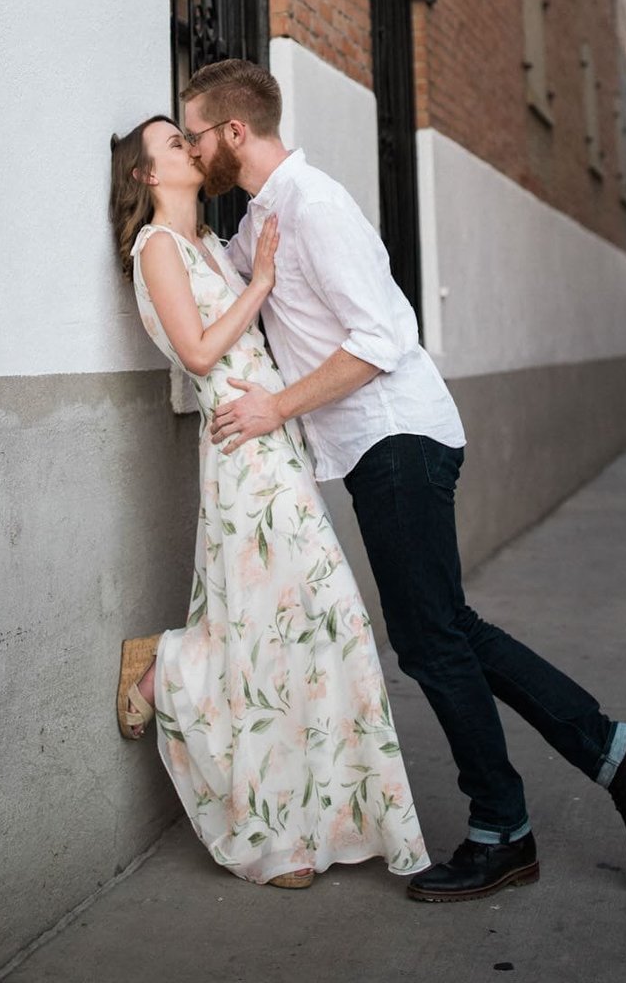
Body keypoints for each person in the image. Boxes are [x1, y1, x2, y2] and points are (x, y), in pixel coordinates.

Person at [180, 59, 626, 905]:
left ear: (234, 132)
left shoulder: (314, 205)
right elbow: (208, 283)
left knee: (433, 640)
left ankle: (504, 829)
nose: (191, 147)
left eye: (195, 134)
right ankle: (615, 752)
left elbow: (382, 337)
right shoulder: (262, 215)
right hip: (378, 447)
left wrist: (275, 409)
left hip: (398, 437)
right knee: (447, 630)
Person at [107, 115, 429, 891]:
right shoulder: (157, 248)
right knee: (288, 618)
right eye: (172, 144)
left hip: (274, 440)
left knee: (299, 624)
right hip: (237, 445)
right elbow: (196, 351)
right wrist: (259, 285)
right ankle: (181, 692)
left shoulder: (216, 244)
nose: (188, 146)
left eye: (187, 137)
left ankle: (311, 820)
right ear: (148, 176)